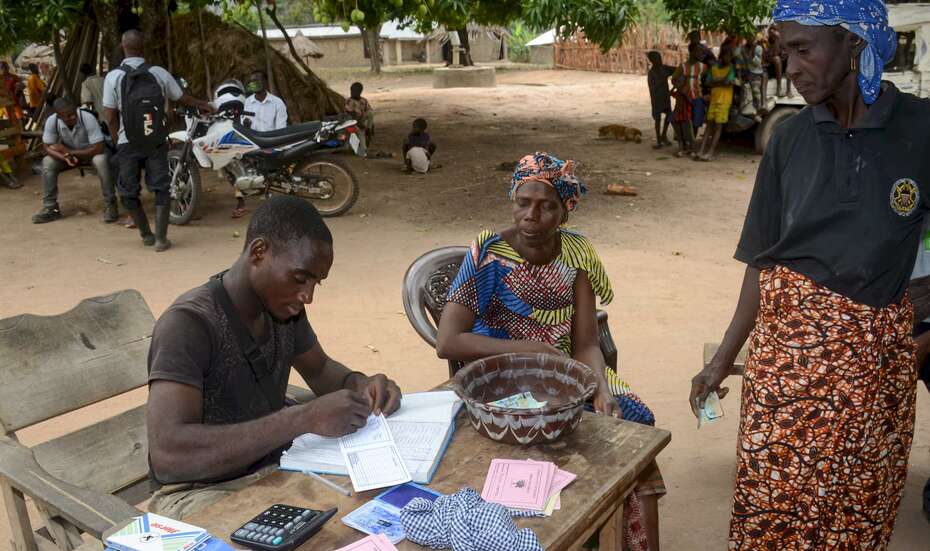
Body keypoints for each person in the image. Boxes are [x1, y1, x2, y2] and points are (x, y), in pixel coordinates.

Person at [689, 1, 926, 547]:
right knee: (773, 505)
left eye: (802, 49)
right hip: (784, 367)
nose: (789, 66)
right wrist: (722, 362)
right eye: (783, 50)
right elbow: (762, 259)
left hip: (874, 369)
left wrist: (917, 329)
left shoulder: (919, 130)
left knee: (855, 510)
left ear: (854, 44)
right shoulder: (789, 140)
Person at [436, 153, 664, 551]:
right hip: (502, 380)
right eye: (523, 202)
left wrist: (600, 388)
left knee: (632, 423)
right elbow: (449, 342)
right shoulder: (489, 251)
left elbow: (587, 344)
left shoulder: (576, 255)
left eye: (546, 206)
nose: (531, 215)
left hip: (570, 373)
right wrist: (530, 349)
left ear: (565, 212)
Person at [146, 195, 402, 519]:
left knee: (377, 511)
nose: (307, 296)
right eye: (300, 278)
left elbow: (321, 368)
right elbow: (170, 454)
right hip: (198, 492)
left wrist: (360, 382)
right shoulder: (189, 324)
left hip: (276, 466)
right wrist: (302, 418)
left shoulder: (283, 309)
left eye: (315, 283)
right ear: (258, 252)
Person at [103, 29, 213, 252]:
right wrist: (204, 104)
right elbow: (182, 98)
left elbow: (110, 115)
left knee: (128, 190)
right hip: (156, 141)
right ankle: (161, 239)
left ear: (123, 47)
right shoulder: (159, 73)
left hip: (127, 143)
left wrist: (117, 140)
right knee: (161, 188)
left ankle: (146, 235)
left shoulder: (113, 77)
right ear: (144, 48)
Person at [32, 97, 117, 224]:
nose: (73, 117)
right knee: (48, 162)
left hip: (91, 154)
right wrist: (65, 157)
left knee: (101, 160)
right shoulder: (52, 121)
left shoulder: (87, 118)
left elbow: (98, 148)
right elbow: (46, 146)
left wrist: (69, 152)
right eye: (68, 116)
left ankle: (110, 204)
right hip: (70, 156)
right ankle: (51, 208)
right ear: (59, 116)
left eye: (74, 113)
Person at [237, 70, 288, 218]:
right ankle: (240, 200)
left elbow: (280, 129)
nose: (254, 83)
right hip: (253, 142)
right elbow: (243, 124)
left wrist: (270, 143)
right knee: (236, 163)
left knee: (272, 169)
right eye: (252, 81)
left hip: (271, 142)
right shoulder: (248, 102)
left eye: (257, 80)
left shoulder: (277, 103)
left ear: (265, 83)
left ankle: (270, 195)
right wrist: (245, 125)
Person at [695, 46, 738, 162]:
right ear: (722, 56)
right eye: (726, 56)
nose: (728, 58)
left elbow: (724, 82)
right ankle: (701, 152)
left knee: (717, 127)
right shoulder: (717, 68)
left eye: (729, 56)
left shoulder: (729, 68)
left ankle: (710, 153)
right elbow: (709, 83)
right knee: (709, 127)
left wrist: (716, 81)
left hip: (724, 101)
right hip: (714, 100)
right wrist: (722, 81)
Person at [672, 44, 707, 154]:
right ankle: (684, 145)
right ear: (692, 52)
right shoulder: (682, 67)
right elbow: (674, 80)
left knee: (696, 122)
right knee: (682, 121)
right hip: (683, 98)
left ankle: (691, 145)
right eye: (699, 51)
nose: (702, 54)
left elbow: (707, 81)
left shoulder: (703, 67)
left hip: (697, 97)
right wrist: (682, 89)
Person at [646, 51, 674, 148]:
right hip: (656, 98)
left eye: (660, 58)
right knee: (657, 120)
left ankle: (664, 135)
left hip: (665, 97)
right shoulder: (651, 73)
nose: (660, 60)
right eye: (657, 58)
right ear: (652, 61)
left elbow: (677, 70)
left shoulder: (664, 68)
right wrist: (662, 79)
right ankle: (659, 139)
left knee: (669, 115)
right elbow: (652, 88)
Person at [345, 82, 373, 157]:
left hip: (360, 120)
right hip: (351, 123)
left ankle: (368, 130)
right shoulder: (349, 101)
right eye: (351, 91)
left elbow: (369, 111)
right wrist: (359, 124)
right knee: (360, 132)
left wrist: (369, 126)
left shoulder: (364, 101)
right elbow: (351, 115)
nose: (352, 93)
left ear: (360, 92)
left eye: (355, 91)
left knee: (370, 113)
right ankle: (363, 150)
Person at [764, 25, 793, 98]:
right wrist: (776, 39)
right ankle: (778, 89)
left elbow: (787, 52)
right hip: (772, 68)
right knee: (776, 59)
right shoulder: (767, 42)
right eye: (771, 32)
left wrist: (784, 55)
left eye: (775, 30)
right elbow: (775, 53)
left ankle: (788, 90)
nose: (773, 33)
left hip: (782, 68)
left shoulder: (782, 40)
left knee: (789, 59)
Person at [746, 35, 765, 113]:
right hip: (749, 73)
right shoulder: (745, 48)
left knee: (756, 91)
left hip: (756, 73)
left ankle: (758, 109)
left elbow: (757, 63)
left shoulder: (758, 48)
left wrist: (753, 53)